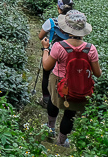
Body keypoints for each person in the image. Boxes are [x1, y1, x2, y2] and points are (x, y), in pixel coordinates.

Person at [41, 10, 102, 148]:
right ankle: (62, 141)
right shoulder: (91, 49)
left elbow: (46, 66)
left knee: (54, 101)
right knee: (70, 113)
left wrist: (45, 49)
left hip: (58, 81)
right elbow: (97, 74)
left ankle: (50, 128)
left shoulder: (59, 46)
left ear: (67, 29)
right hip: (78, 85)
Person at [37, 0, 75, 107]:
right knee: (63, 76)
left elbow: (40, 36)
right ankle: (62, 99)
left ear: (58, 8)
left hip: (50, 53)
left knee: (46, 75)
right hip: (67, 55)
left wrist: (45, 45)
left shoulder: (51, 22)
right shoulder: (75, 24)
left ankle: (45, 99)